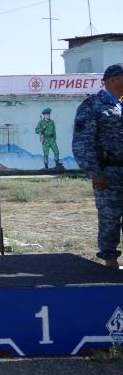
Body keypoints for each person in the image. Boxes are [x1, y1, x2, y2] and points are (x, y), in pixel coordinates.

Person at [73, 63, 123, 269]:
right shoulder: (92, 105)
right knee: (110, 219)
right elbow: (82, 142)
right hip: (109, 173)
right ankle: (110, 263)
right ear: (112, 80)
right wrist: (94, 172)